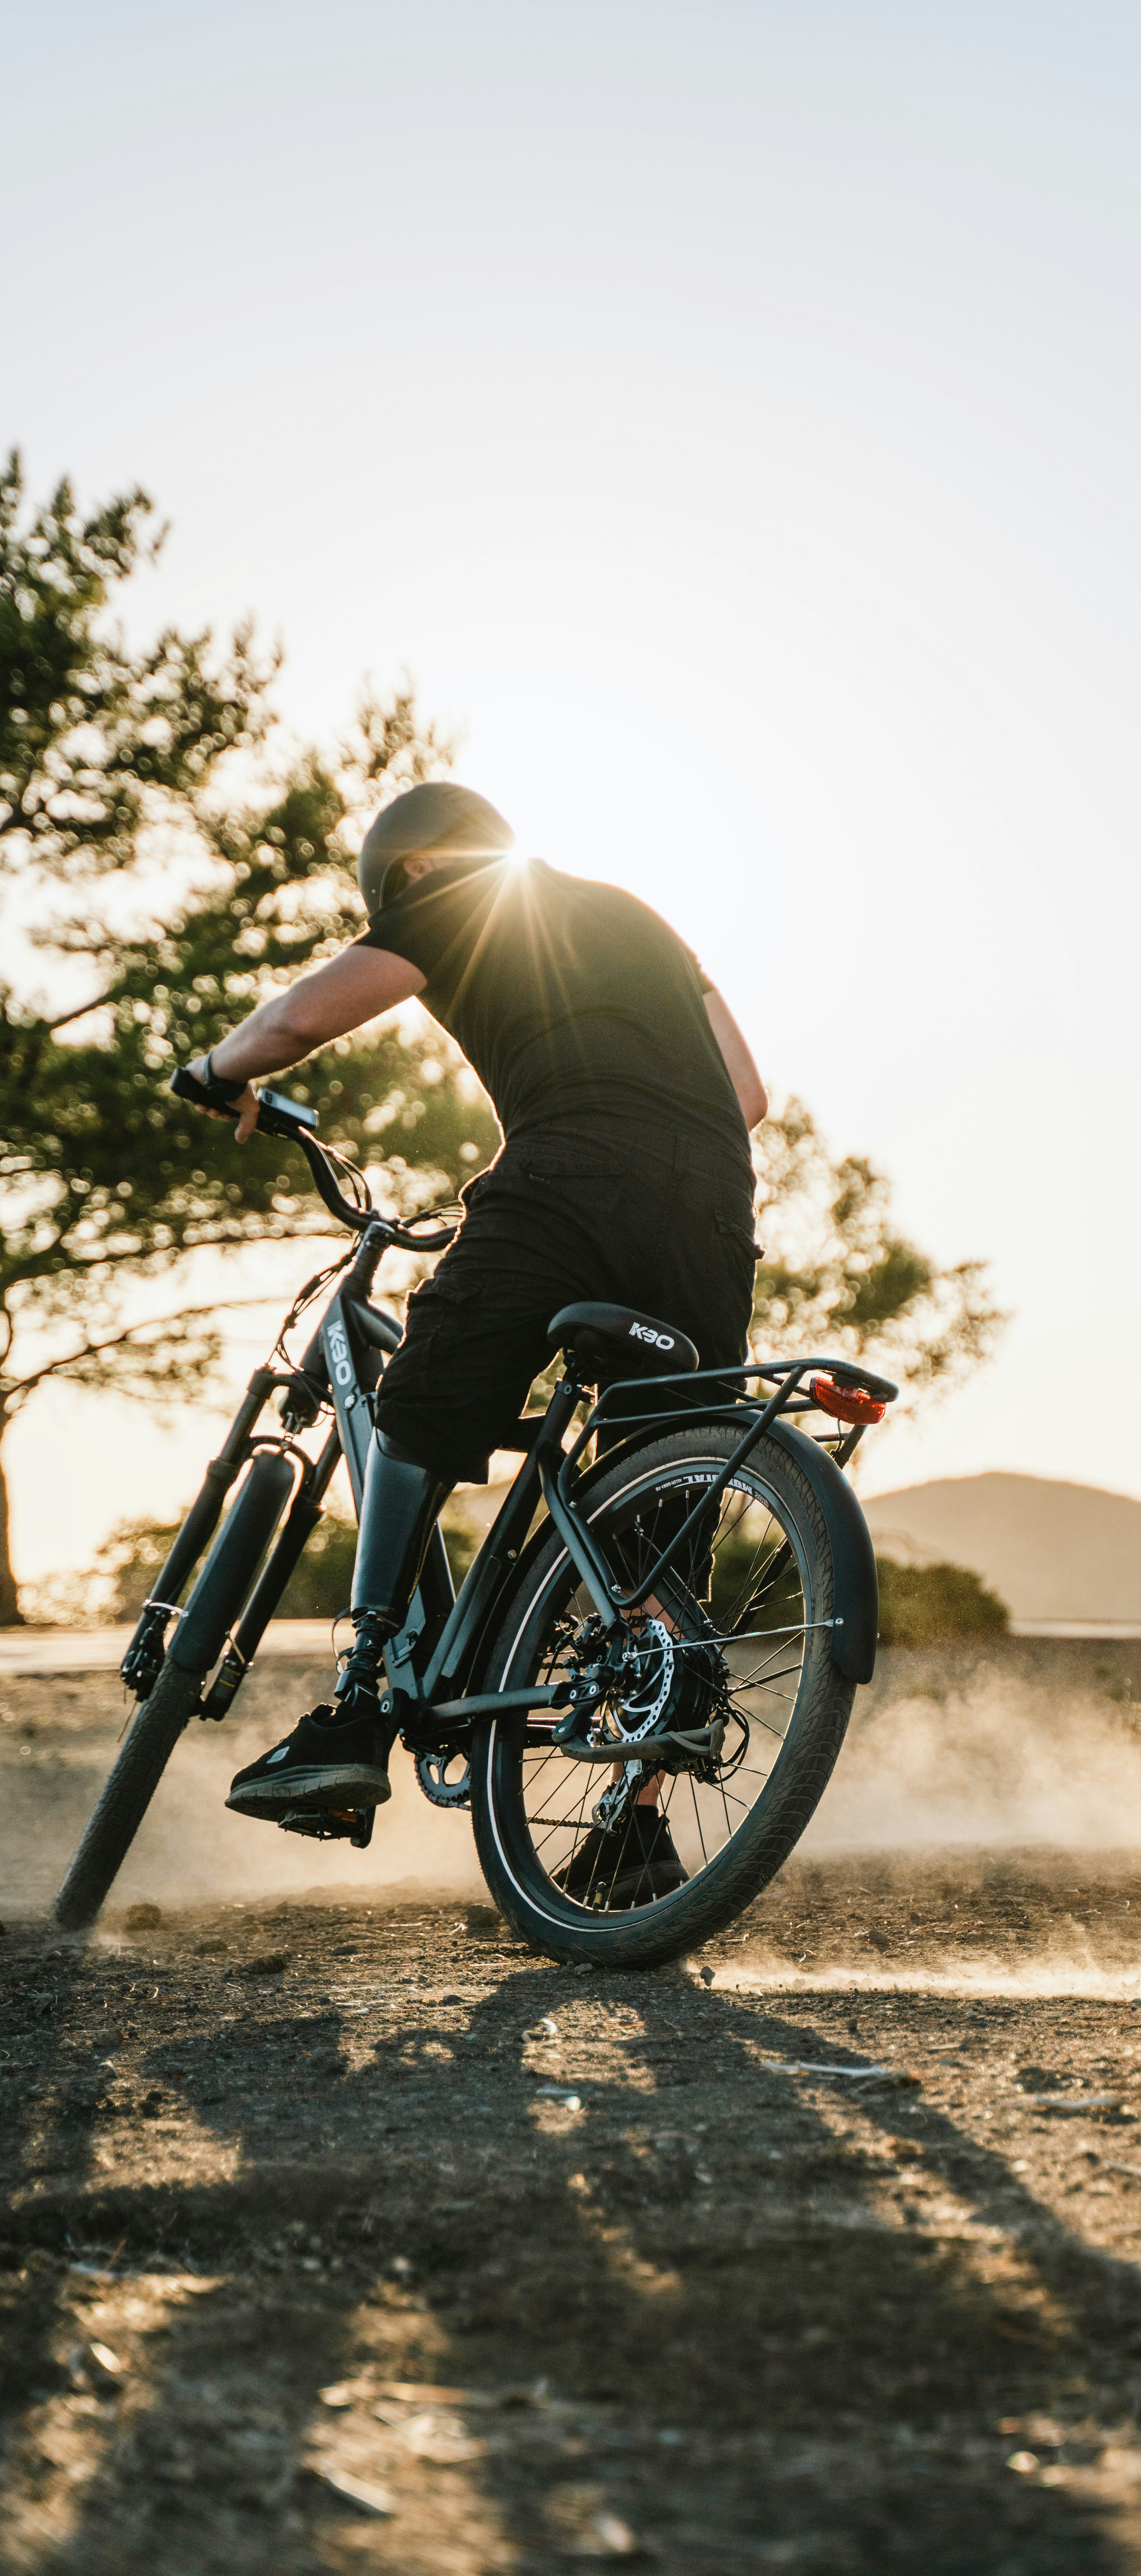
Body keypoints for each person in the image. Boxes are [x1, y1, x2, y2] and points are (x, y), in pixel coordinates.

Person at [183, 782, 766, 1904]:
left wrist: (221, 1072)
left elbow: (298, 1022)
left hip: (567, 1169)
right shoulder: (642, 916)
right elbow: (745, 1095)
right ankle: (639, 1823)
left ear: (405, 874)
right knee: (659, 1482)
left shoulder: (456, 897)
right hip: (711, 1209)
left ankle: (355, 1709)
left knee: (424, 1392)